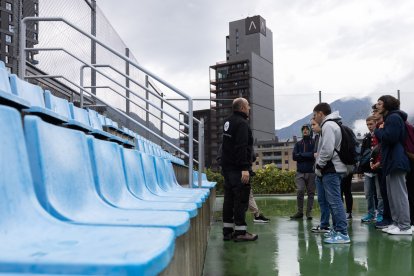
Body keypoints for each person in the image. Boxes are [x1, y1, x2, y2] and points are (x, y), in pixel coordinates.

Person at [221, 97, 258, 242]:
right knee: (241, 200)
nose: (249, 108)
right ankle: (241, 232)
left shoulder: (227, 122)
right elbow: (242, 146)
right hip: (238, 169)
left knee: (228, 200)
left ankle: (227, 231)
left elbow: (225, 147)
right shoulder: (242, 124)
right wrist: (244, 168)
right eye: (248, 106)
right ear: (242, 108)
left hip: (227, 168)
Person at [313, 102, 350, 243]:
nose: (314, 118)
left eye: (315, 115)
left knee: (335, 202)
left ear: (321, 114)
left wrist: (319, 166)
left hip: (331, 169)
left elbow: (327, 150)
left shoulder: (328, 126)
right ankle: (337, 230)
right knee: (335, 201)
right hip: (334, 168)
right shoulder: (333, 124)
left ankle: (342, 232)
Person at [374, 95, 411, 235]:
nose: (377, 106)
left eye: (379, 103)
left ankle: (404, 226)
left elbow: (391, 137)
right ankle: (396, 223)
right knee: (392, 195)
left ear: (387, 105)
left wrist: (378, 130)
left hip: (397, 160)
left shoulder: (394, 118)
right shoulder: (390, 118)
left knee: (399, 194)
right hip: (391, 161)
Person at [371, 104, 392, 229]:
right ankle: (386, 217)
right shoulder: (378, 127)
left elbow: (384, 146)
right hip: (380, 165)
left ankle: (390, 218)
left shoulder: (383, 126)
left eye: (375, 111)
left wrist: (380, 162)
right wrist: (373, 161)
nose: (374, 113)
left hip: (386, 164)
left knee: (388, 193)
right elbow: (376, 149)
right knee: (384, 193)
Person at [310, 118, 333, 233]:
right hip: (319, 172)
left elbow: (327, 151)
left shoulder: (326, 133)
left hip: (327, 171)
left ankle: (338, 228)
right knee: (322, 200)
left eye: (314, 124)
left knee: (332, 200)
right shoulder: (317, 137)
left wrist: (319, 165)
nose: (312, 127)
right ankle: (324, 225)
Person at [291, 124, 316, 220]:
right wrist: (308, 155)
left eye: (307, 129)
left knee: (311, 193)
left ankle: (308, 213)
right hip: (300, 172)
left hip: (311, 172)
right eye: (303, 129)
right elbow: (294, 157)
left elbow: (314, 155)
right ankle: (300, 212)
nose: (305, 131)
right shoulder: (298, 144)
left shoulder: (314, 142)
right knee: (300, 191)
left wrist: (301, 155)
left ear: (310, 131)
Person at [358, 116, 380, 223]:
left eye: (371, 124)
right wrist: (360, 170)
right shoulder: (366, 138)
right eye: (367, 124)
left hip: (379, 169)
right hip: (367, 170)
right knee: (368, 194)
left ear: (376, 123)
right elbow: (362, 155)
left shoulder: (380, 135)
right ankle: (370, 213)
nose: (369, 126)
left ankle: (380, 213)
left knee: (380, 194)